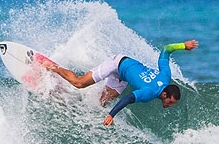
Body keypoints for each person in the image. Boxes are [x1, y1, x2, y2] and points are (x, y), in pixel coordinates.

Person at [41, 40, 199, 126]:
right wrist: (111, 114)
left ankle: (61, 94)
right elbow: (127, 99)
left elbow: (165, 50)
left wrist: (183, 46)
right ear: (165, 94)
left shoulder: (165, 75)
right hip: (117, 63)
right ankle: (51, 67)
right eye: (169, 102)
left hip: (123, 76)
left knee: (100, 103)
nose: (169, 105)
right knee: (80, 83)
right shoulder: (150, 93)